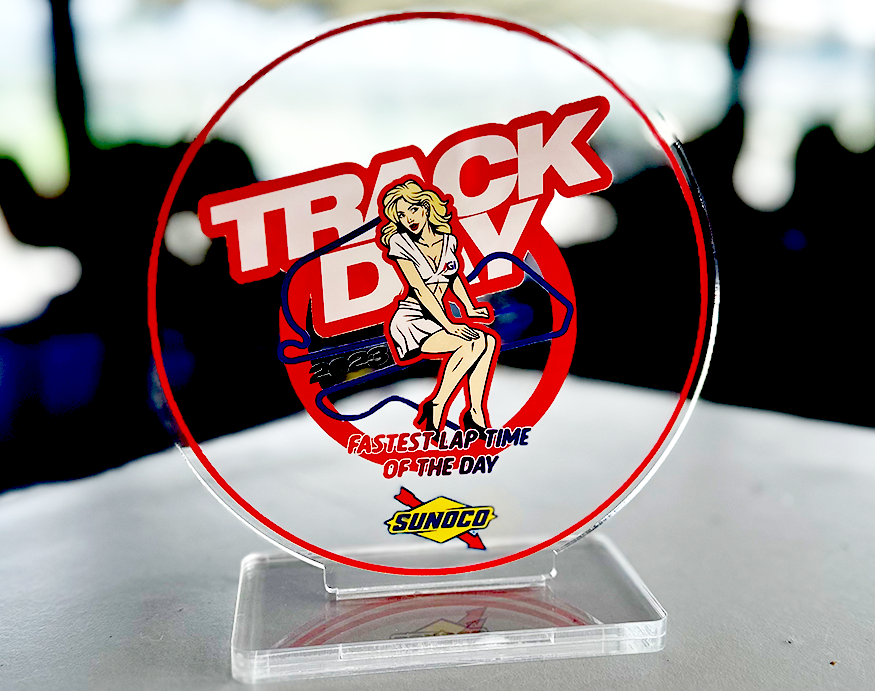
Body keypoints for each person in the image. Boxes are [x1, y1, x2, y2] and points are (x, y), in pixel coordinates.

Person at [380, 179, 498, 435]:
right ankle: (437, 404)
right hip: (411, 319)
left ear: (425, 206)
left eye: (412, 209)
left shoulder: (448, 240)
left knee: (488, 342)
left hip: (436, 318)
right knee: (472, 343)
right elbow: (420, 289)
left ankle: (475, 414)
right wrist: (449, 325)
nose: (408, 219)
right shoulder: (400, 243)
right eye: (401, 215)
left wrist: (469, 308)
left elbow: (453, 276)